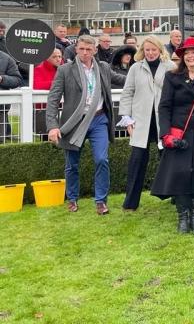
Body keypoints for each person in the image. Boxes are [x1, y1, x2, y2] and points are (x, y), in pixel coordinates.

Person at [46, 35, 126, 215]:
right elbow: (53, 99)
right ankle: (72, 199)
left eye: (88, 49)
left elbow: (122, 79)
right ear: (76, 49)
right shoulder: (65, 70)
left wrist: (144, 75)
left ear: (95, 51)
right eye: (81, 49)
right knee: (72, 164)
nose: (84, 53)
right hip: (74, 122)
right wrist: (52, 126)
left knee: (102, 160)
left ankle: (101, 201)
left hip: (99, 120)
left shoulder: (103, 67)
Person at [150, 37, 194, 233]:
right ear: (182, 57)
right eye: (187, 53)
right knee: (180, 175)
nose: (190, 56)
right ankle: (183, 217)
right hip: (178, 134)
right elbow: (164, 107)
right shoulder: (172, 77)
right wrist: (165, 134)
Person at [118, 36, 174, 211]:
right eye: (147, 50)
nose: (150, 53)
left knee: (169, 159)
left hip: (163, 120)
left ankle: (175, 196)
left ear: (160, 50)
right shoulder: (136, 68)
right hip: (141, 121)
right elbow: (127, 92)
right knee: (137, 161)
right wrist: (126, 117)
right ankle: (130, 202)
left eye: (153, 50)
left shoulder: (171, 67)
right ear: (143, 50)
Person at [33, 49, 63, 140]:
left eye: (60, 56)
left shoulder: (65, 69)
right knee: (46, 136)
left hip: (63, 107)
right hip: (44, 108)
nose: (58, 59)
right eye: (54, 57)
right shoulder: (38, 69)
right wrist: (58, 83)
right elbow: (37, 86)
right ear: (47, 57)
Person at [0, 49, 23, 143]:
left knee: (1, 143)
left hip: (1, 107)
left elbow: (17, 80)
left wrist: (2, 79)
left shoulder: (6, 58)